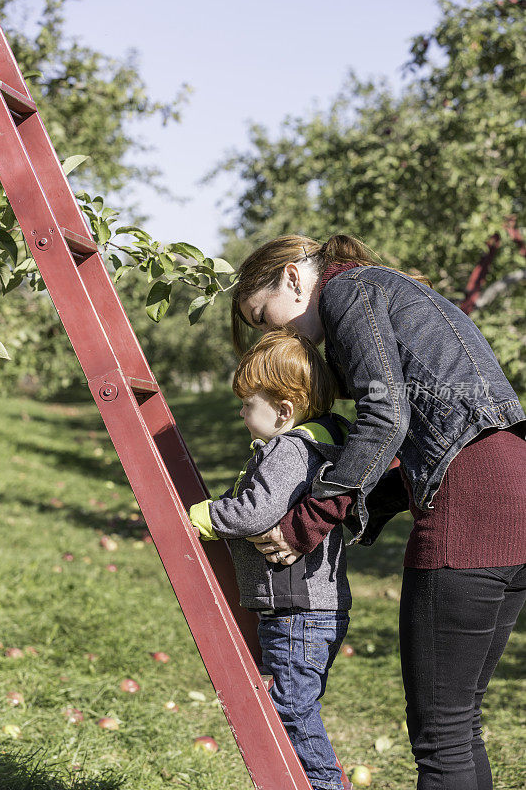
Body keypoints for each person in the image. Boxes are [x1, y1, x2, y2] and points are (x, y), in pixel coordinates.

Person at [231, 233, 526, 790]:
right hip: (514, 493)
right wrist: (360, 511)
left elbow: (384, 419)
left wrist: (308, 522)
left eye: (262, 315)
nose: (273, 332)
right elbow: (425, 426)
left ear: (293, 277)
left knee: (442, 738)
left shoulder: (347, 293)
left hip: (471, 509)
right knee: (460, 729)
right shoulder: (387, 290)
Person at [188, 327, 355, 790]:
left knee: (291, 712)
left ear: (283, 411)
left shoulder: (288, 449)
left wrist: (205, 516)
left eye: (248, 404)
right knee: (295, 706)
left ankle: (324, 786)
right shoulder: (323, 443)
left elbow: (256, 510)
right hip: (313, 610)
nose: (241, 413)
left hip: (296, 612)